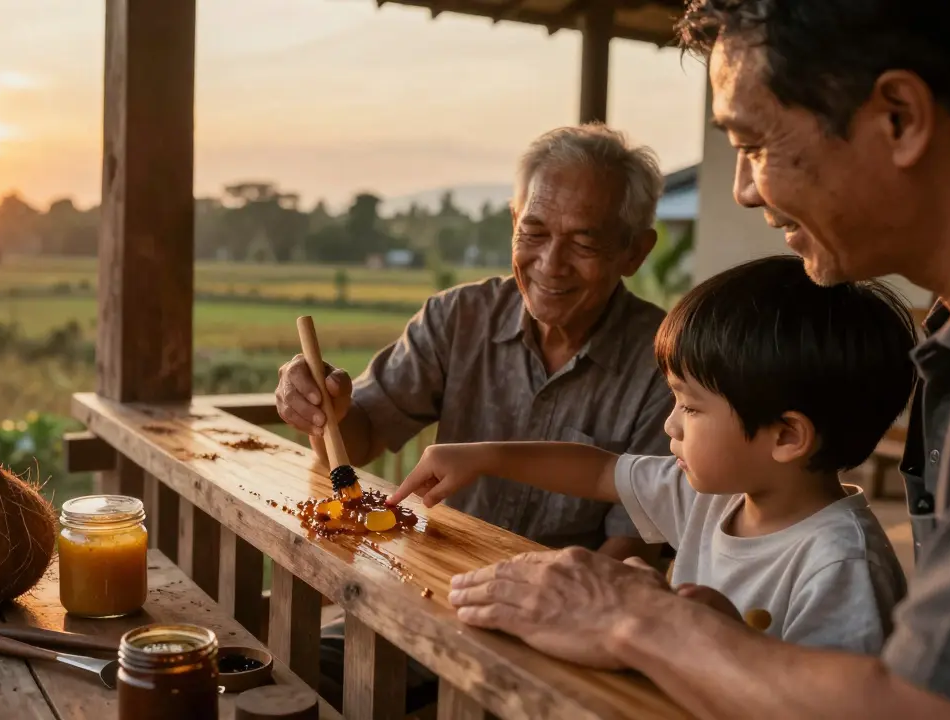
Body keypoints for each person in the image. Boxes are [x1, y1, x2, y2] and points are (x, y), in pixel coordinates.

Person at [444, 1, 950, 716]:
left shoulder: (841, 553)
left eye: (753, 143)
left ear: (899, 118)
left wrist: (634, 617)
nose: (743, 188)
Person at [273, 124, 672, 712]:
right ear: (513, 220)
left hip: (554, 646)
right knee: (279, 676)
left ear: (635, 251)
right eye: (532, 232)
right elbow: (357, 440)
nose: (550, 264)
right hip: (419, 600)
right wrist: (321, 409)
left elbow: (626, 553)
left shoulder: (665, 365)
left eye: (583, 244)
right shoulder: (457, 317)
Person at [391, 255, 915, 653]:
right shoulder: (712, 497)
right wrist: (483, 456)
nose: (670, 424)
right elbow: (599, 470)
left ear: (785, 437)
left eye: (689, 406)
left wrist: (723, 639)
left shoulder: (841, 566)